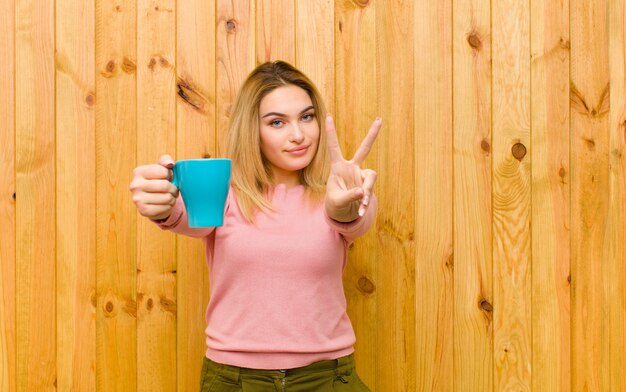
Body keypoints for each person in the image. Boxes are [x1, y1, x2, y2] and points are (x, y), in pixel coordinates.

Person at [130, 61, 381, 391]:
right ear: (253, 130)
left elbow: (352, 219)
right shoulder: (223, 192)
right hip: (234, 380)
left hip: (326, 378)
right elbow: (179, 214)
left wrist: (342, 206)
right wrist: (158, 201)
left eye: (307, 117)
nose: (298, 135)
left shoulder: (344, 191)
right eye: (277, 122)